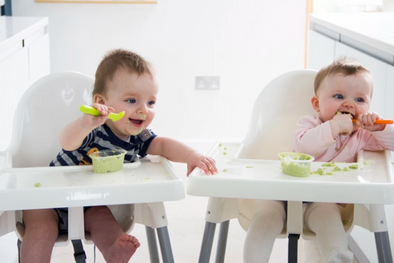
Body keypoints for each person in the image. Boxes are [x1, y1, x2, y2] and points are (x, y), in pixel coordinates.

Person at [21, 49, 218, 263]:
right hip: (49, 199)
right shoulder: (95, 128)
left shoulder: (138, 137)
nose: (143, 110)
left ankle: (113, 251)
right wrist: (84, 123)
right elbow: (68, 141)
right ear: (102, 102)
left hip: (90, 204)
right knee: (41, 229)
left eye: (150, 102)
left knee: (103, 220)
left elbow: (162, 145)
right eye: (132, 100)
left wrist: (191, 155)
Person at [244, 58, 394, 263]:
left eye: (360, 100)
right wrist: (333, 127)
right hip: (280, 194)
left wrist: (380, 129)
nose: (349, 104)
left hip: (322, 200)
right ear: (317, 103)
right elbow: (303, 146)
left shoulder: (362, 136)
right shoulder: (309, 124)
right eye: (339, 96)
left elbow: (390, 144)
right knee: (263, 217)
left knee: (330, 221)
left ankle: (338, 258)